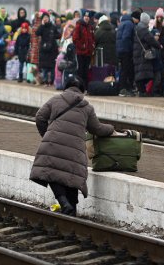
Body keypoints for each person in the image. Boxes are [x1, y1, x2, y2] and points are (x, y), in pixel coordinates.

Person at [30, 75, 115, 216]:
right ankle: (72, 211)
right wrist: (112, 129)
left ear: (66, 87)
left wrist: (46, 135)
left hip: (52, 143)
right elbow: (97, 129)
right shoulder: (87, 107)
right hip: (75, 150)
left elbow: (39, 117)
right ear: (82, 90)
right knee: (71, 176)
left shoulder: (55, 99)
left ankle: (63, 202)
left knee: (50, 172)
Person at [133, 13, 161, 97]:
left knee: (140, 71)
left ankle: (142, 90)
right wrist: (158, 45)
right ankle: (142, 91)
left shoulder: (137, 27)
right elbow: (150, 39)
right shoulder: (143, 29)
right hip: (142, 53)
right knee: (143, 72)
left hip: (137, 52)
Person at [116, 12, 137, 96]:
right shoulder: (129, 24)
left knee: (123, 69)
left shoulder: (122, 23)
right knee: (126, 69)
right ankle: (123, 89)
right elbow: (126, 37)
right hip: (126, 50)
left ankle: (122, 88)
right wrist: (131, 48)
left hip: (120, 49)